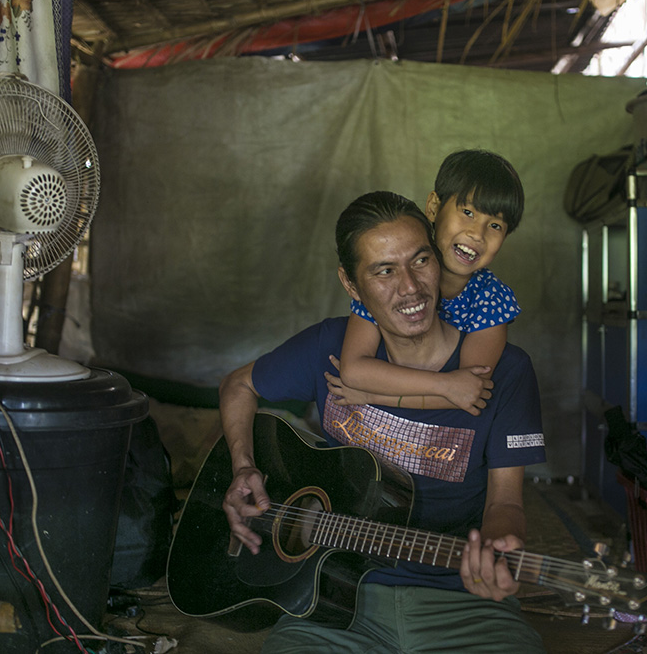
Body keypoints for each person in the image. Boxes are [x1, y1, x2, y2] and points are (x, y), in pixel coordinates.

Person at [219, 190, 547, 653]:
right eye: (384, 270)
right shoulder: (328, 347)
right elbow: (238, 385)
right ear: (351, 285)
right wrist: (243, 466)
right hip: (328, 598)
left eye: (420, 261)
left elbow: (506, 504)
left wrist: (495, 550)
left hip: (462, 602)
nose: (411, 288)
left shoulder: (505, 372)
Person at [330, 150, 525, 416]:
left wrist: (372, 395)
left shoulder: (491, 299)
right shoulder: (390, 282)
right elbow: (354, 370)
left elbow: (470, 392)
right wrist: (444, 384)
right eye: (467, 212)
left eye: (495, 226)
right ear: (433, 207)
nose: (476, 234)